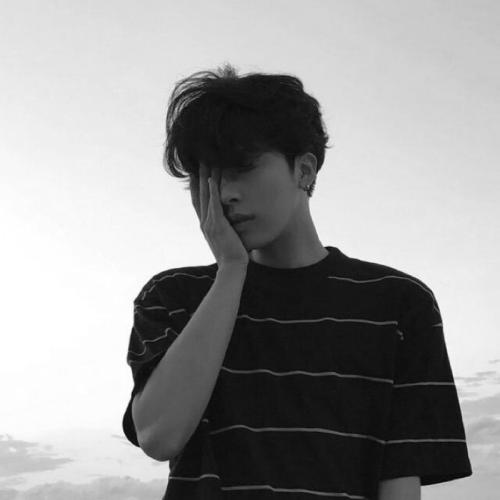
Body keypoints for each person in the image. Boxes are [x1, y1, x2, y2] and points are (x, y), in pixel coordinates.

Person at [122, 63, 472, 500]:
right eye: (206, 177)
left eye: (241, 168)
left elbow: (400, 474)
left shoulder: (397, 303)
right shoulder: (173, 297)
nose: (224, 194)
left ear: (304, 170)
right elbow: (160, 436)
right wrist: (231, 271)